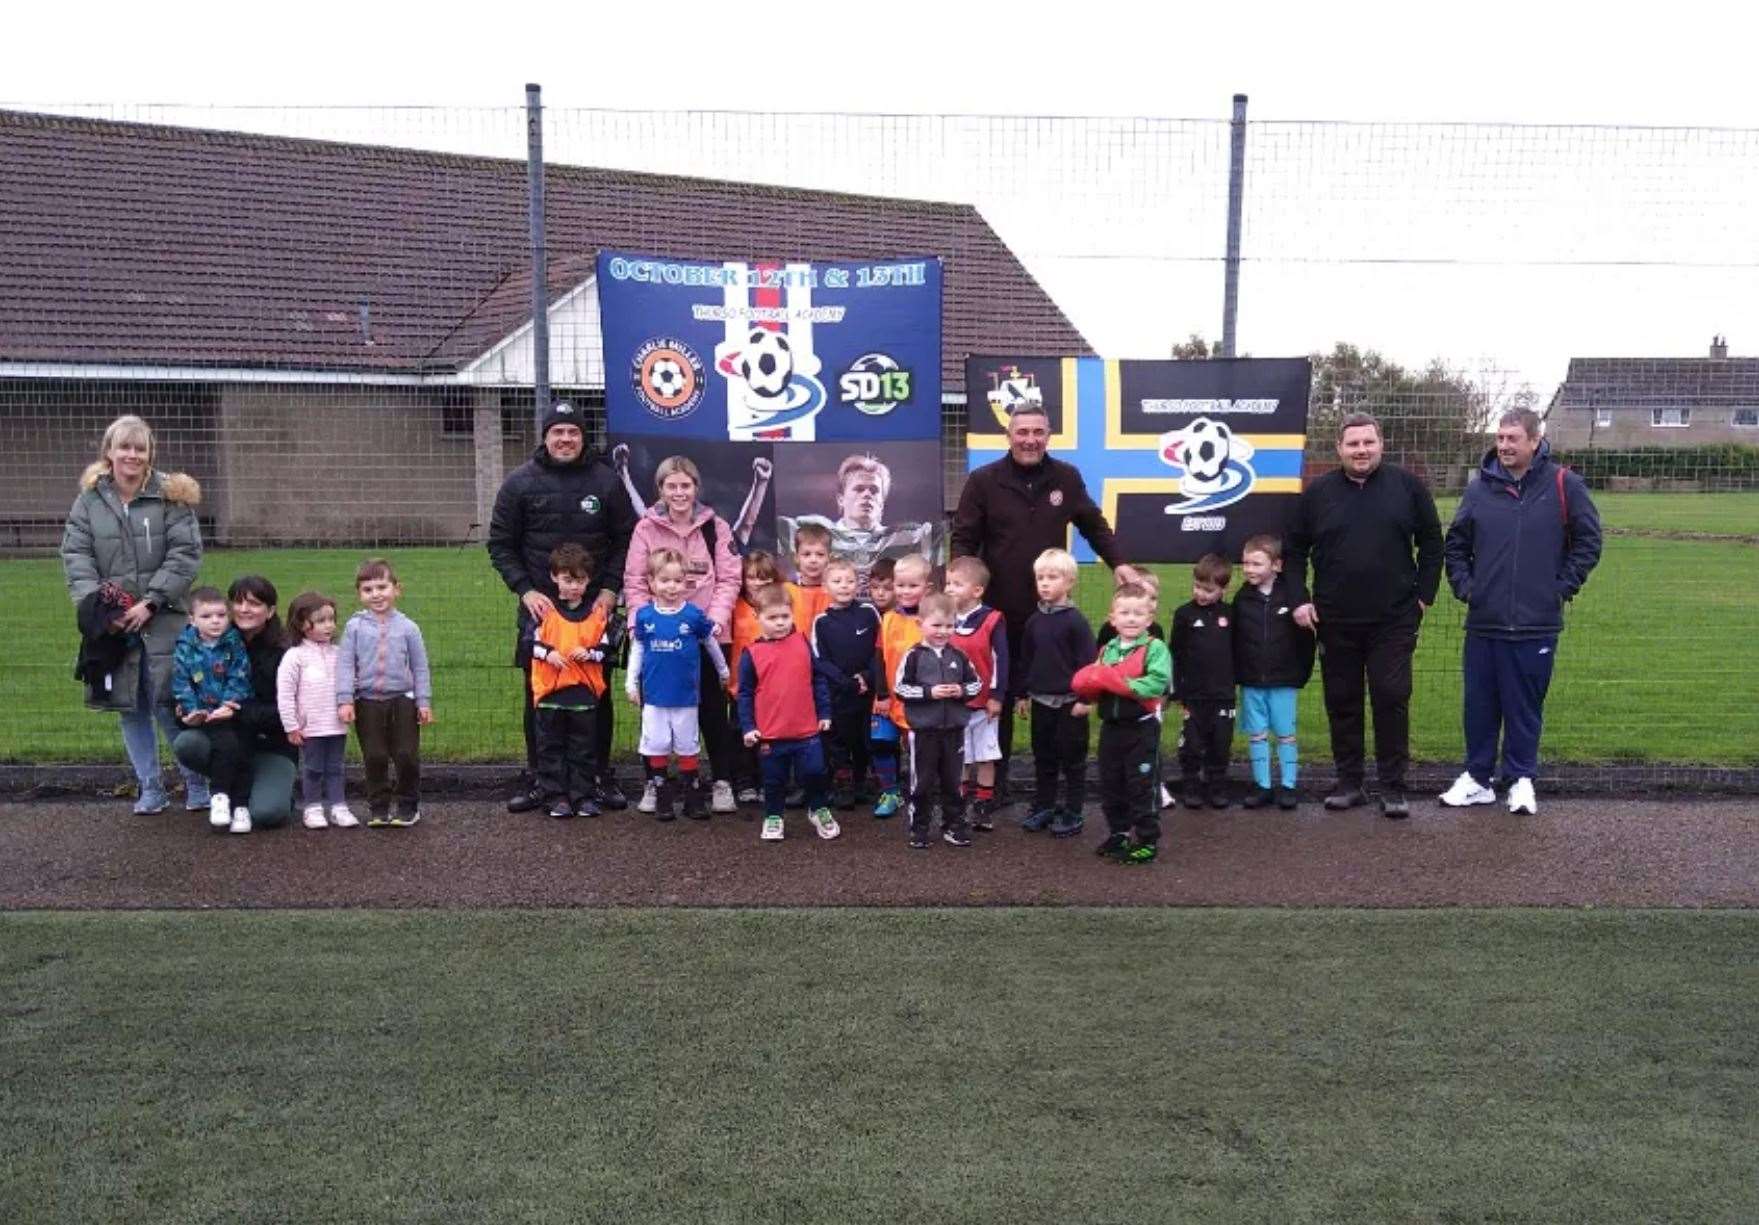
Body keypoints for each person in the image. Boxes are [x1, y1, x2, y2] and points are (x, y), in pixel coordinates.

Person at [950, 401, 1143, 797]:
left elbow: (1094, 524)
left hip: (1049, 617)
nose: (1030, 440)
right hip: (997, 614)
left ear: (1048, 436)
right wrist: (957, 583)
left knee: (1052, 704)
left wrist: (1119, 563)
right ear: (1009, 436)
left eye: (1038, 432)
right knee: (995, 699)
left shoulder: (1066, 479)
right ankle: (994, 786)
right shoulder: (983, 481)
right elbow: (964, 538)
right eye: (1022, 432)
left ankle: (1052, 791)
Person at [1440, 409, 1603, 816]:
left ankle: (1520, 779)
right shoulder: (1479, 489)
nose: (1505, 445)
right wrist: (1467, 588)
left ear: (1535, 440)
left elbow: (1589, 542)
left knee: (1524, 707)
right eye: (1500, 437)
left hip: (1537, 623)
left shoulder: (1565, 485)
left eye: (1513, 438)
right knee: (1479, 705)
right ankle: (1477, 779)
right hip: (1485, 621)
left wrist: (1560, 588)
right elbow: (1456, 545)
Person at [1285, 412, 1442, 818]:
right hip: (1334, 619)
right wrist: (1300, 599)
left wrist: (1423, 596)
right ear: (1339, 448)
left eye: (1368, 442)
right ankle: (1349, 782)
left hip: (1393, 619)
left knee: (1391, 698)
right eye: (1353, 444)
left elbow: (1431, 543)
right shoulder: (1317, 493)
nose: (1361, 450)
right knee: (1342, 701)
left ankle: (1393, 786)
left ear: (1381, 444)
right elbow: (1294, 550)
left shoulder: (1407, 488)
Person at [489, 401, 637, 814]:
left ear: (583, 437)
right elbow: (500, 545)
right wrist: (525, 590)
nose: (566, 439)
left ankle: (597, 778)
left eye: (573, 432)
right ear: (546, 437)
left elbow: (627, 539)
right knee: (539, 693)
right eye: (558, 432)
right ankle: (543, 779)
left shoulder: (606, 482)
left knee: (595, 693)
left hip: (594, 611)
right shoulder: (520, 483)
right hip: (541, 611)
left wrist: (609, 590)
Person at [60, 414, 207, 815]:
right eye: (124, 446)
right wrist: (103, 610)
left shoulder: (171, 497)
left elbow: (185, 554)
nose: (132, 455)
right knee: (131, 707)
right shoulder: (89, 502)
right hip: (115, 627)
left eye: (140, 448)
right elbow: (77, 556)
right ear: (108, 452)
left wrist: (152, 601)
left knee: (170, 703)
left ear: (149, 454)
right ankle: (151, 788)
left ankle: (196, 783)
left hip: (165, 619)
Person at [623, 455, 744, 814]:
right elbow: (634, 581)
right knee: (655, 710)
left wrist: (716, 620)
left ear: (696, 488)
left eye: (685, 485)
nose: (679, 492)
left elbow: (729, 578)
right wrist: (640, 622)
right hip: (659, 634)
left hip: (705, 633)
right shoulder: (646, 528)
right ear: (660, 490)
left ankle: (721, 781)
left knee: (710, 709)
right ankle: (655, 783)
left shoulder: (715, 527)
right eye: (671, 486)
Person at [173, 575, 300, 830]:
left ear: (270, 610)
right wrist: (185, 714)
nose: (244, 610)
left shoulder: (285, 652)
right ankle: (229, 789)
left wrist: (238, 711)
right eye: (238, 603)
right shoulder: (208, 640)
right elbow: (184, 683)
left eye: (253, 604)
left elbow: (291, 713)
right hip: (227, 739)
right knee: (187, 743)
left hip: (271, 744)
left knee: (267, 814)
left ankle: (267, 789)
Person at [626, 548, 729, 821]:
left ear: (686, 583)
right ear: (651, 582)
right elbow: (637, 649)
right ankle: (662, 796)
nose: (671, 587)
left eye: (677, 581)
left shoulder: (693, 616)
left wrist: (723, 670)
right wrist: (630, 682)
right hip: (655, 697)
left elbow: (710, 643)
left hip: (686, 696)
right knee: (657, 743)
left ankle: (693, 797)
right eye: (664, 580)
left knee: (687, 745)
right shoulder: (645, 617)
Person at [736, 585, 839, 843]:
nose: (780, 623)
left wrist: (824, 712)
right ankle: (774, 815)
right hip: (771, 734)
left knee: (815, 772)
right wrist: (748, 727)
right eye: (772, 618)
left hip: (807, 730)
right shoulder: (751, 654)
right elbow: (745, 693)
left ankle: (818, 809)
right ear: (757, 617)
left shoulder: (803, 643)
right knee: (774, 780)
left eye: (784, 616)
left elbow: (818, 680)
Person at [336, 557, 433, 828]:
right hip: (367, 701)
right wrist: (345, 699)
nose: (376, 594)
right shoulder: (354, 628)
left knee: (405, 755)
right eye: (368, 589)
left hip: (403, 700)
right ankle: (378, 807)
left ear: (396, 589)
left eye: (382, 587)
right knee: (375, 755)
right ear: (359, 594)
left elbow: (420, 667)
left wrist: (423, 701)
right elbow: (345, 664)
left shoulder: (408, 628)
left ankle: (408, 805)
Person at [1081, 582, 1172, 864]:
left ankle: (1146, 838)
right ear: (1113, 618)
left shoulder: (1155, 648)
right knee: (1112, 783)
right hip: (1112, 728)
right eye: (1125, 612)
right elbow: (1096, 681)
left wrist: (1124, 684)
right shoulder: (1108, 649)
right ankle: (1119, 832)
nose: (1131, 618)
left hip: (1141, 728)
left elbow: (1157, 682)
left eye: (1137, 613)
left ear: (1149, 618)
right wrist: (1088, 693)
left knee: (1141, 784)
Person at [1015, 548, 1097, 838]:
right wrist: (1022, 694)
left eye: (1052, 577)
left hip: (1070, 704)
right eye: (1040, 578)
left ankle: (1073, 810)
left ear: (1070, 582)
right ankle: (1044, 805)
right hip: (1040, 701)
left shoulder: (1076, 622)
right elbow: (1026, 659)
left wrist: (1086, 699)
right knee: (1044, 757)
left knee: (1072, 759)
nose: (1045, 583)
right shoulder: (1034, 621)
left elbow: (1089, 665)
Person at [1232, 535, 1316, 811]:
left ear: (1277, 565)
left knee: (1285, 733)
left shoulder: (1291, 597)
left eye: (1257, 563)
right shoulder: (1241, 599)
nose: (1249, 569)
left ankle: (1289, 785)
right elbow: (1234, 640)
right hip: (1251, 680)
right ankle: (1262, 786)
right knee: (1256, 734)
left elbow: (1306, 642)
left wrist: (1299, 673)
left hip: (1284, 680)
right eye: (1246, 563)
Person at [893, 592, 983, 849]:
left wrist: (961, 691)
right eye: (937, 625)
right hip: (924, 731)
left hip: (954, 729)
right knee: (922, 782)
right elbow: (900, 688)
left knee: (953, 782)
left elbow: (976, 684)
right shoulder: (914, 656)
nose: (943, 631)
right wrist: (928, 693)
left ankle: (953, 825)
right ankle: (919, 827)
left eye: (949, 625)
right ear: (920, 623)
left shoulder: (959, 656)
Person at [531, 544, 612, 819]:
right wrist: (549, 654)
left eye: (579, 580)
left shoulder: (597, 616)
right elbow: (528, 646)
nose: (574, 586)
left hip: (584, 696)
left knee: (583, 750)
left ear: (588, 580)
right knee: (550, 749)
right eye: (568, 580)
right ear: (554, 577)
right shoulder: (545, 613)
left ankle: (584, 797)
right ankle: (556, 797)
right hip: (550, 696)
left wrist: (589, 654)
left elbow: (605, 650)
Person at [778, 453, 939, 589]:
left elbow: (958, 535)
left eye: (874, 490)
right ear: (841, 499)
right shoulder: (815, 531)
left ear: (882, 502)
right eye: (859, 489)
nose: (867, 494)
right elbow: (755, 523)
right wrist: (761, 483)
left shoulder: (907, 536)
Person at [170, 587, 255, 834]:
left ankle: (237, 805)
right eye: (207, 616)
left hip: (232, 711)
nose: (215, 621)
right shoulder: (185, 646)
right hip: (203, 713)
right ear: (192, 620)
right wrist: (191, 709)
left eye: (220, 615)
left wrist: (229, 704)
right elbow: (181, 680)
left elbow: (240, 675)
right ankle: (224, 799)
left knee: (238, 748)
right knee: (226, 747)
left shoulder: (233, 643)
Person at [277, 590, 357, 830]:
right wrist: (291, 725)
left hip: (336, 724)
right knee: (312, 768)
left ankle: (338, 807)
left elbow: (351, 681)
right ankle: (312, 808)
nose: (329, 626)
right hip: (310, 727)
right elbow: (285, 693)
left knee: (335, 767)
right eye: (321, 620)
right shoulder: (295, 656)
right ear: (302, 624)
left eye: (331, 619)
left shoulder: (340, 653)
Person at [809, 558, 882, 809]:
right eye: (837, 581)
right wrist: (847, 682)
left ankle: (862, 783)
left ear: (858, 584)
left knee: (864, 740)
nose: (844, 586)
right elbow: (820, 660)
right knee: (839, 742)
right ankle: (843, 784)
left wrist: (867, 677)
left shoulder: (869, 612)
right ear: (825, 586)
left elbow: (879, 650)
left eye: (850, 581)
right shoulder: (821, 621)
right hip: (839, 693)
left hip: (866, 692)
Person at [943, 556, 1009, 831]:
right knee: (960, 756)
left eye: (956, 584)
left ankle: (982, 806)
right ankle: (958, 804)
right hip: (955, 703)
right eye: (947, 583)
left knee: (985, 755)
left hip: (983, 704)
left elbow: (1000, 659)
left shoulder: (992, 619)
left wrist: (997, 695)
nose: (949, 589)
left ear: (977, 590)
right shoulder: (943, 620)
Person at [1169, 554, 1237, 809]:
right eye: (1197, 586)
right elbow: (1174, 653)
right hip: (1194, 694)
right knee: (1192, 744)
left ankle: (1217, 785)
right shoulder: (1184, 614)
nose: (1201, 594)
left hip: (1223, 694)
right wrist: (1177, 689)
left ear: (1223, 589)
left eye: (1208, 590)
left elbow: (1238, 651)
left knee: (1220, 742)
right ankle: (1191, 785)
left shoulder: (1230, 615)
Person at [873, 553, 934, 818]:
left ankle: (920, 796)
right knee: (881, 743)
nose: (905, 591)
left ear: (927, 588)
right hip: (890, 699)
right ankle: (890, 791)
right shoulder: (888, 619)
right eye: (900, 585)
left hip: (919, 702)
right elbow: (879, 658)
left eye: (913, 586)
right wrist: (882, 694)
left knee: (919, 753)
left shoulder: (931, 623)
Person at [725, 549, 785, 806]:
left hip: (772, 685)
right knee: (741, 731)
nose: (759, 583)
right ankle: (744, 781)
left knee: (769, 735)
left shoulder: (780, 610)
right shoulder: (734, 607)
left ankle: (767, 781)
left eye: (765, 578)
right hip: (740, 685)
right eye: (752, 577)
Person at [787, 521, 834, 628]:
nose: (813, 560)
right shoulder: (786, 592)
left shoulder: (836, 593)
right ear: (796, 557)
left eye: (820, 554)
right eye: (807, 554)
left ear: (829, 558)